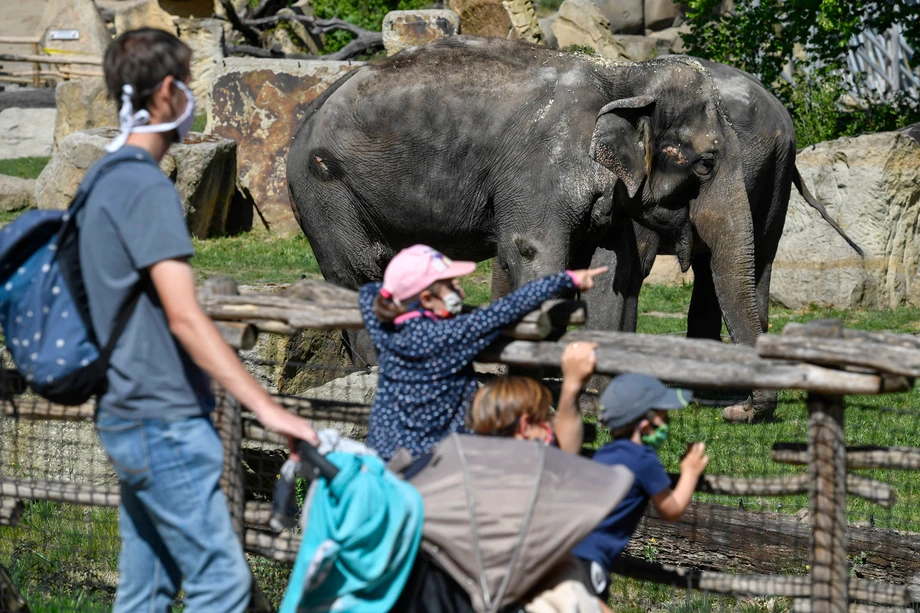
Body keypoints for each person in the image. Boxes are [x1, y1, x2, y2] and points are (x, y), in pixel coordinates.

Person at [81, 28, 318, 612]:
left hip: (122, 412)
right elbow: (186, 319)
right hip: (162, 418)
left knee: (146, 589)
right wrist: (267, 409)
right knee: (223, 585)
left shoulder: (99, 181)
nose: (193, 97)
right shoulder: (144, 187)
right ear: (166, 91)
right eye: (187, 84)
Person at [359, 244, 606, 461]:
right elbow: (511, 306)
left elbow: (368, 292)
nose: (461, 292)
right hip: (433, 461)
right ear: (426, 298)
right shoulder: (451, 335)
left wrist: (400, 289)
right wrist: (568, 279)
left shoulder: (383, 325)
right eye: (452, 286)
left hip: (383, 453)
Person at [572, 373, 709, 600]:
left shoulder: (605, 453)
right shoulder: (643, 459)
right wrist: (690, 473)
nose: (667, 424)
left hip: (568, 550)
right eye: (664, 418)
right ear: (645, 426)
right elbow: (671, 509)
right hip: (590, 560)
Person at [466, 341, 598, 454]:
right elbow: (565, 452)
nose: (552, 423)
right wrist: (571, 384)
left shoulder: (472, 460)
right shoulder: (535, 466)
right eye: (546, 416)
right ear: (525, 426)